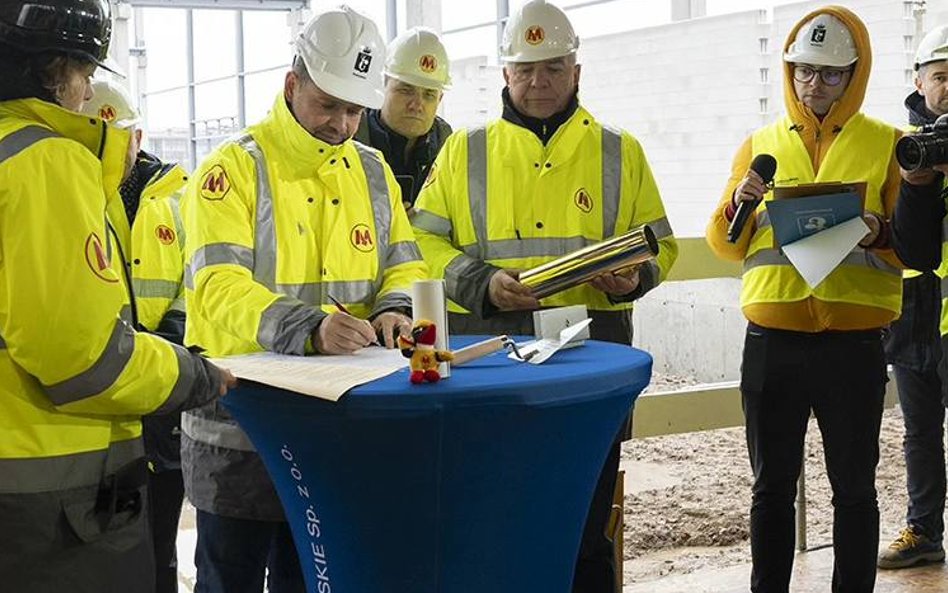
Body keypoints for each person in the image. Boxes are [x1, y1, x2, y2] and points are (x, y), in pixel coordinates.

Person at [411, 1, 677, 590]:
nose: (538, 82)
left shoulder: (619, 150)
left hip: (590, 356)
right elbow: (418, 245)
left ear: (576, 72)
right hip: (488, 356)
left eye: (553, 68)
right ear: (505, 74)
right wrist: (480, 284)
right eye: (526, 70)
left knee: (584, 515)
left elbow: (661, 245)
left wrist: (636, 277)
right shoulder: (464, 151)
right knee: (489, 509)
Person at [179, 6, 427, 593]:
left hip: (333, 421)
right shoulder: (232, 170)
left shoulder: (373, 171)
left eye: (354, 110)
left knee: (314, 577)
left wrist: (396, 308)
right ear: (292, 85)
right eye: (328, 106)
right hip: (239, 422)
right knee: (229, 578)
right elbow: (217, 285)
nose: (342, 124)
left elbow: (405, 259)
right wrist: (309, 328)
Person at [0, 1, 234, 592]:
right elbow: (81, 356)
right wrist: (191, 374)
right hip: (49, 502)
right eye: (85, 73)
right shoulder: (44, 160)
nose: (86, 91)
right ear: (59, 70)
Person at [705, 7, 906, 592]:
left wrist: (881, 232)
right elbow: (723, 243)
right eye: (803, 72)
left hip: (853, 344)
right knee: (770, 487)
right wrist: (739, 201)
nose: (814, 85)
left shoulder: (889, 145)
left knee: (854, 487)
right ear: (788, 73)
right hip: (773, 342)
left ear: (855, 75)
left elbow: (914, 247)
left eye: (830, 73)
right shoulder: (759, 146)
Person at [79, 79, 192, 593]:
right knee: (102, 551)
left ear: (138, 135)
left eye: (114, 135)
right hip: (97, 402)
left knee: (160, 547)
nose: (104, 148)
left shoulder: (178, 200)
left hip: (162, 395)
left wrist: (169, 337)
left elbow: (202, 280)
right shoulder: (67, 197)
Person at [877, 25, 948, 571]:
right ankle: (923, 532)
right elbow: (907, 242)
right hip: (911, 316)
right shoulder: (900, 146)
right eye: (941, 76)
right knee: (919, 432)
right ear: (920, 81)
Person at [353, 26, 452, 211]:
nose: (416, 105)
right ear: (383, 86)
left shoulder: (447, 147)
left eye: (429, 94)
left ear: (440, 99)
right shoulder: (350, 136)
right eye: (406, 90)